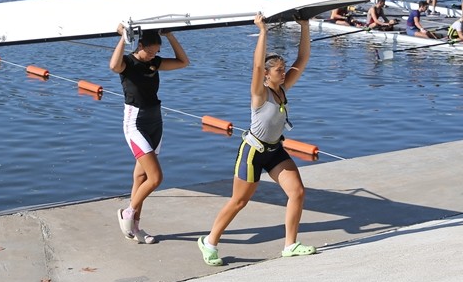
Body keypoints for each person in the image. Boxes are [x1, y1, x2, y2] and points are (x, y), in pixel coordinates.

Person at [199, 14, 314, 265]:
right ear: (267, 75)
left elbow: (303, 59)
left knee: (297, 192)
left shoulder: (282, 88)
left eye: (283, 69)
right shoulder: (260, 94)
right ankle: (209, 242)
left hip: (275, 151)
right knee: (239, 201)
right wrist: (263, 31)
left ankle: (290, 245)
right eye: (279, 70)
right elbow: (257, 67)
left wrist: (305, 26)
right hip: (253, 153)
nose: (284, 73)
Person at [109, 25, 189, 244]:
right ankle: (128, 212)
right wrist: (123, 38)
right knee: (155, 178)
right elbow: (113, 65)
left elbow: (183, 62)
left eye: (157, 52)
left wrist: (170, 35)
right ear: (140, 45)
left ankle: (135, 227)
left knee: (141, 177)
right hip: (135, 123)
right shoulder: (128, 63)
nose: (153, 55)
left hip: (155, 122)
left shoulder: (155, 62)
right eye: (150, 51)